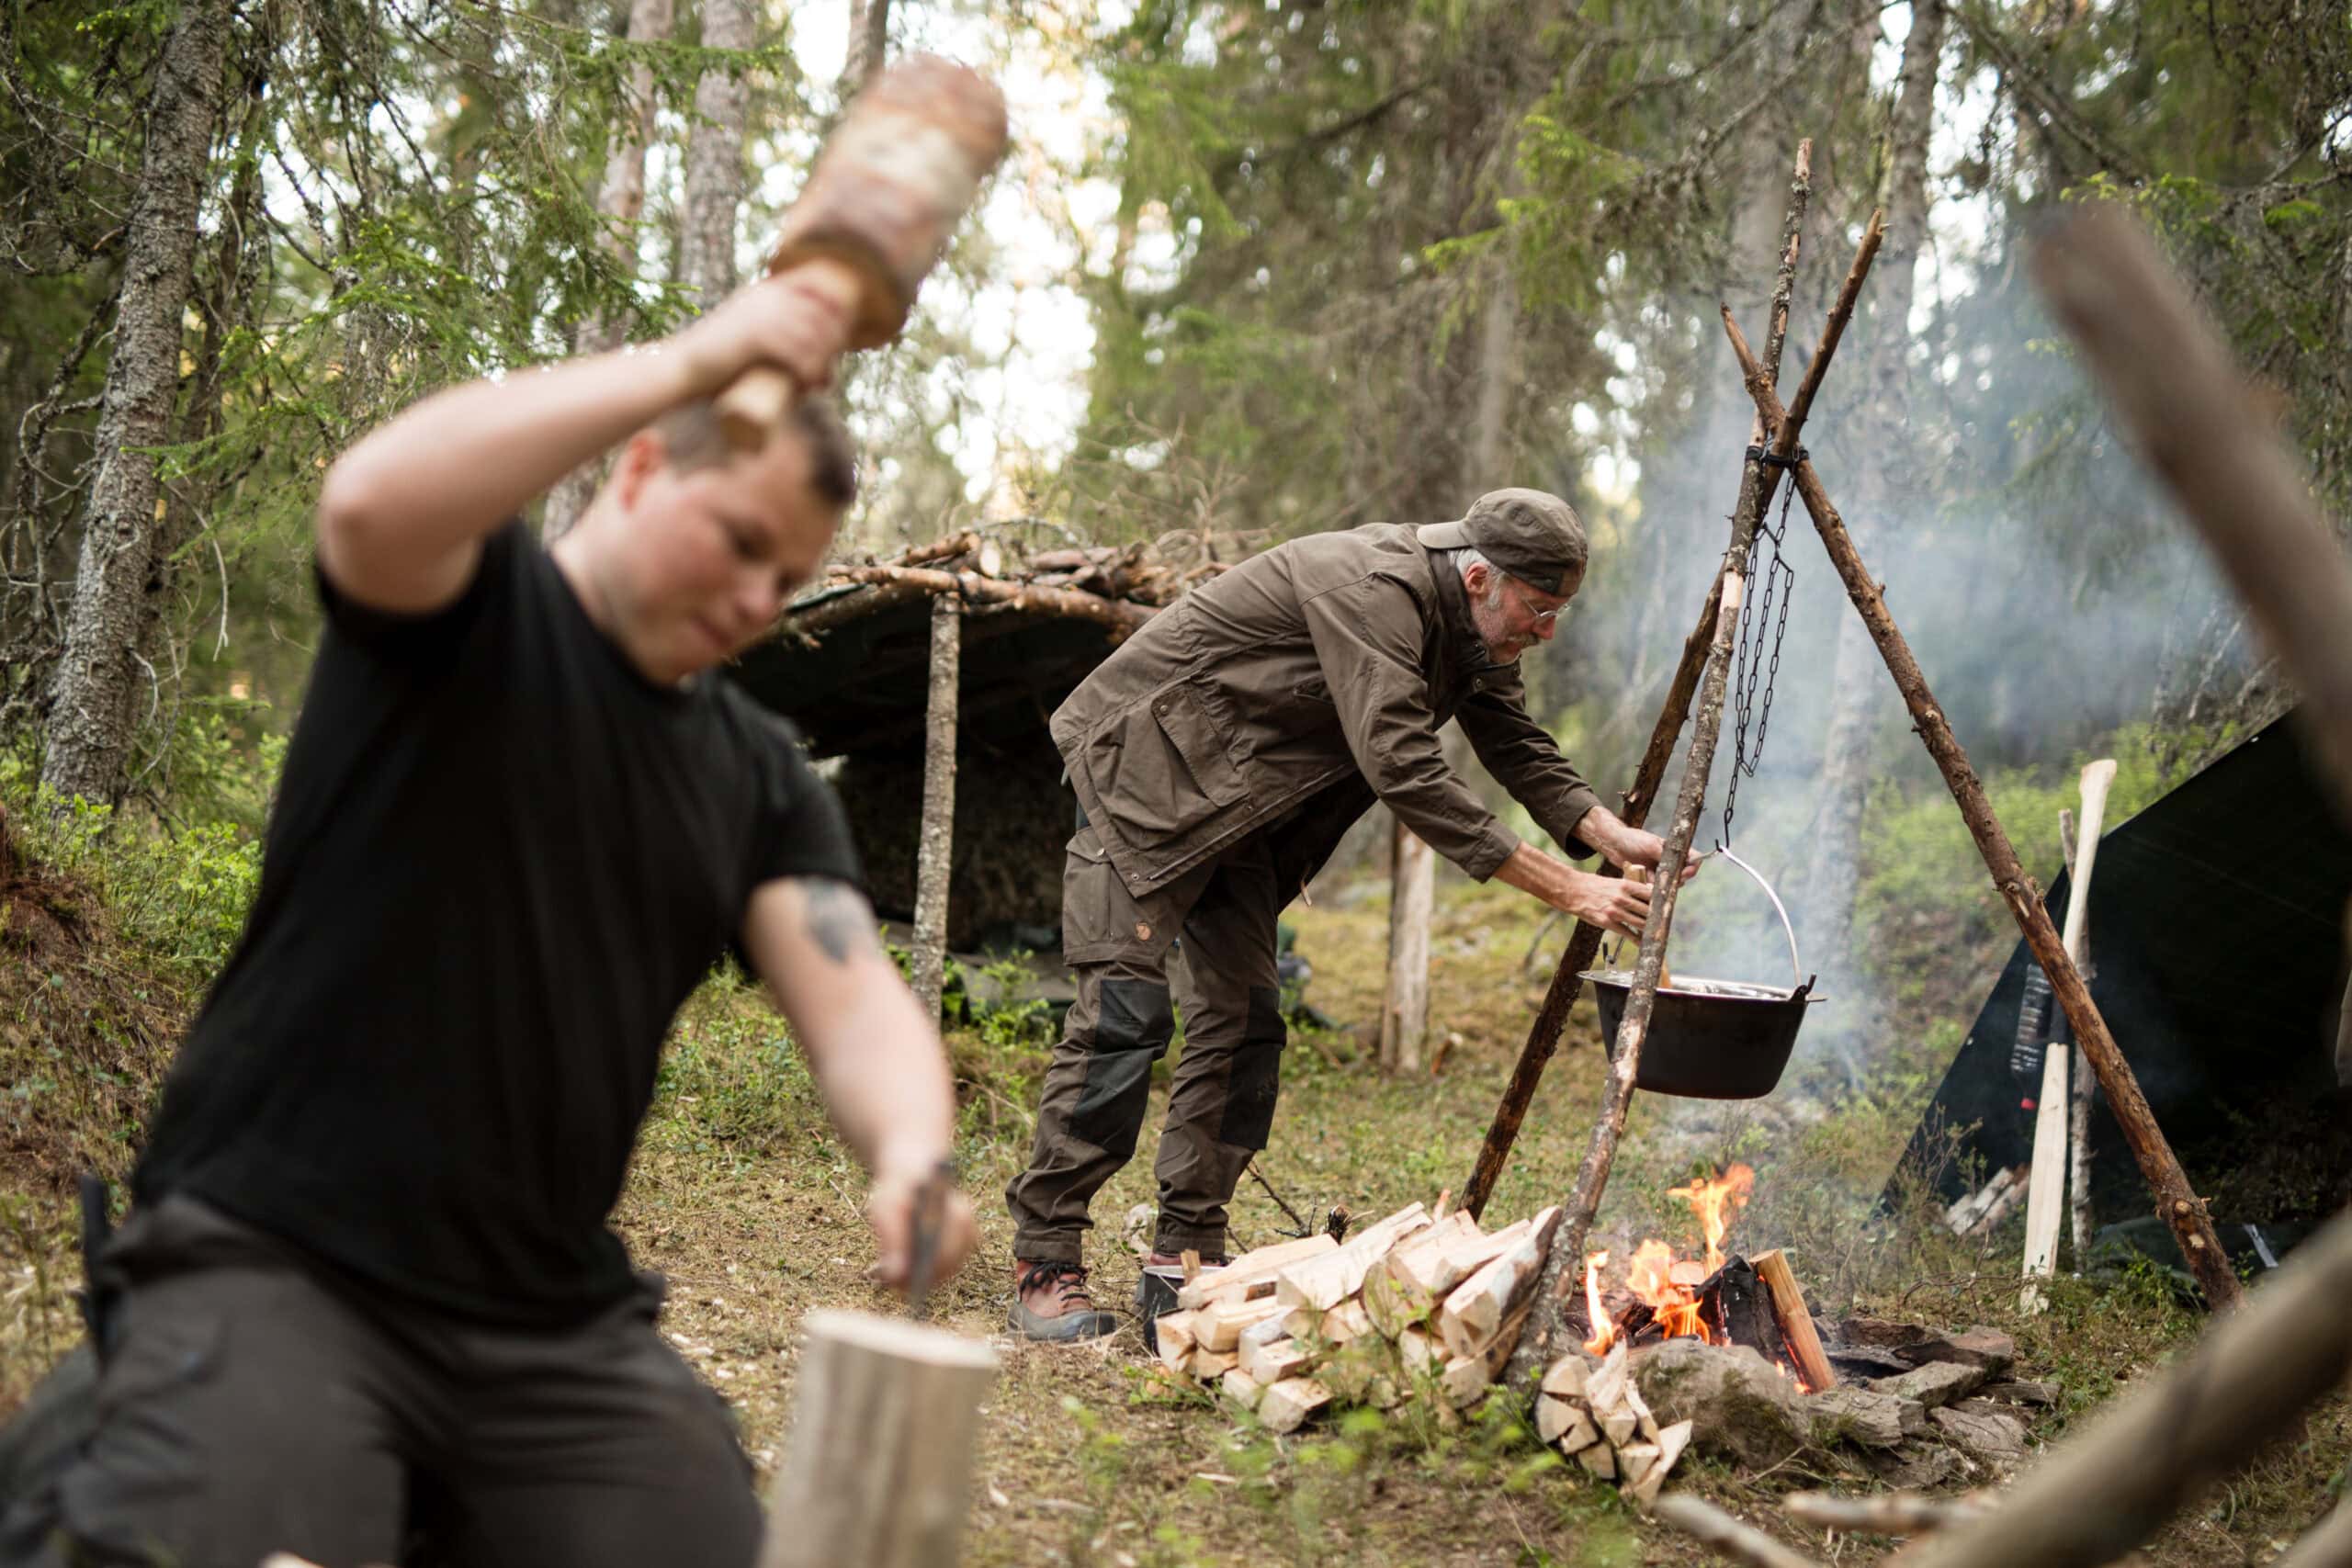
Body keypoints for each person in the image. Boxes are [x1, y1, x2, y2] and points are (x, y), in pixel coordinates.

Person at [1, 273, 977, 1567]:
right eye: (741, 541)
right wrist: (698, 358)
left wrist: (913, 1148)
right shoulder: (462, 611)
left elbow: (854, 999)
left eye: (788, 574)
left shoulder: (757, 775)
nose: (759, 601)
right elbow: (367, 497)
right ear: (639, 467)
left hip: (548, 1323)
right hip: (276, 1253)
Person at [1004, 490, 1683, 1341]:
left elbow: (1510, 739)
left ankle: (1182, 1262)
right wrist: (1572, 889)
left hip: (1236, 812)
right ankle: (1046, 1259)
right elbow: (1402, 763)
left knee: (1246, 1022)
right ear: (1479, 577)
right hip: (1142, 780)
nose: (1545, 630)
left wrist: (1606, 832)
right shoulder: (1374, 589)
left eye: (1556, 613)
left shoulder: (1467, 624)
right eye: (1539, 609)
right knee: (1122, 1016)